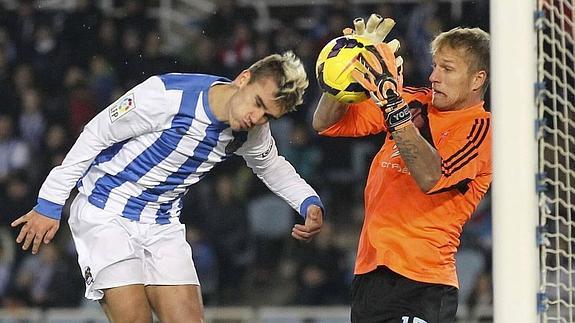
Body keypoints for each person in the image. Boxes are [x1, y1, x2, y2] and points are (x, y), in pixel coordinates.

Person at [11, 51, 324, 323]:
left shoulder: (252, 129)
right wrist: (50, 202)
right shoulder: (166, 94)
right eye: (257, 103)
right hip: (106, 212)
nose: (256, 118)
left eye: (268, 115)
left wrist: (308, 202)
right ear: (243, 78)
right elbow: (96, 134)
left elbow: (270, 165)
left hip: (162, 225)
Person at [313, 14, 491, 323]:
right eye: (435, 66)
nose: (434, 76)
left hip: (421, 282)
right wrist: (346, 70)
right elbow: (325, 122)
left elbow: (431, 176)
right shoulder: (416, 102)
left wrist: (393, 105)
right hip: (369, 274)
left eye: (447, 69)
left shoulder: (481, 130)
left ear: (477, 79)